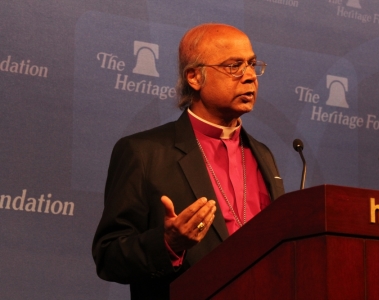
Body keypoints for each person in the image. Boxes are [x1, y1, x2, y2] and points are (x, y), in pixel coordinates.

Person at [92, 23, 285, 299]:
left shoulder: (262, 155)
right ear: (195, 77)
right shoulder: (143, 152)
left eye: (252, 64)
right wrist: (168, 243)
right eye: (233, 66)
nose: (250, 76)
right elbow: (108, 256)